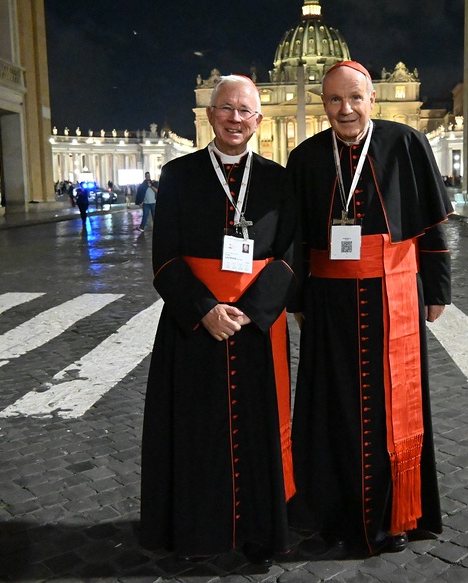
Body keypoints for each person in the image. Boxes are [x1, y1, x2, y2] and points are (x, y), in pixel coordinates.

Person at [286, 61, 452, 557]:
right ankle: (331, 512)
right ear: (323, 103)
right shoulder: (306, 157)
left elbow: (430, 228)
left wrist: (438, 289)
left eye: (354, 98)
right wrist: (297, 300)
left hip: (393, 295)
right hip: (329, 303)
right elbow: (295, 241)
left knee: (390, 410)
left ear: (372, 98)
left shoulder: (405, 143)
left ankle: (394, 514)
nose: (346, 109)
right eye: (335, 100)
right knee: (331, 406)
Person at [139, 75, 297, 565]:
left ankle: (259, 531)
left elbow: (290, 257)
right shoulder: (179, 175)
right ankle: (197, 530)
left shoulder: (278, 179)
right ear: (210, 115)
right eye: (225, 108)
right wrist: (205, 309)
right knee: (195, 431)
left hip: (255, 327)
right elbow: (164, 258)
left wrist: (250, 312)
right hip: (194, 327)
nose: (235, 118)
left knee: (259, 432)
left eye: (245, 110)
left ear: (259, 119)